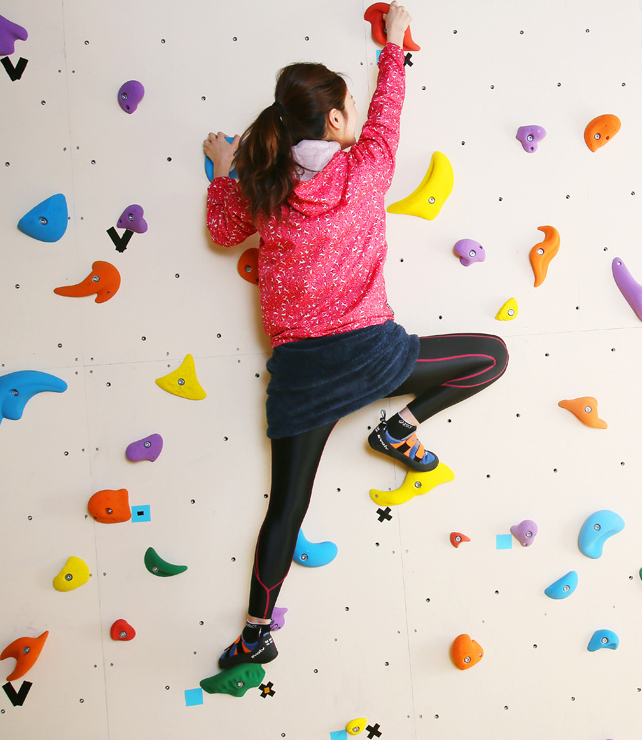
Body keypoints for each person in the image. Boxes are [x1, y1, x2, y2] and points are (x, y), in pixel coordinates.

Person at [202, 1, 507, 669]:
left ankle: (256, 633)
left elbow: (222, 231)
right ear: (336, 121)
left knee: (286, 509)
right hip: (374, 359)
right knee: (491, 356)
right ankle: (398, 430)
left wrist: (224, 168)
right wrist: (394, 44)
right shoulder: (367, 169)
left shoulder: (264, 188)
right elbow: (389, 109)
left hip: (301, 378)